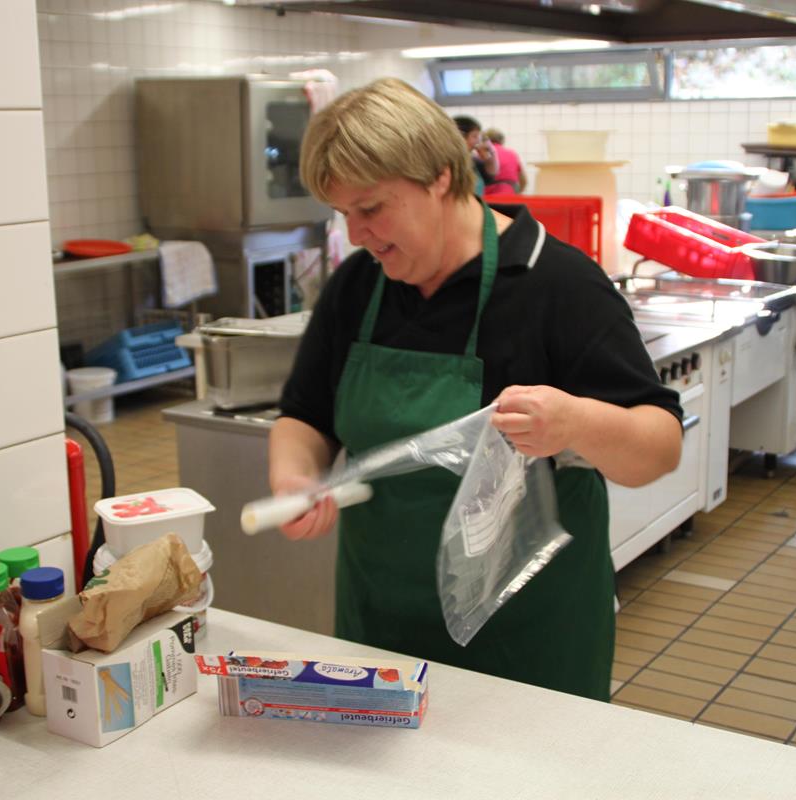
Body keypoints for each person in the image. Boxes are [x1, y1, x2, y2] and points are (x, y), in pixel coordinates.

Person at [269, 77, 683, 703]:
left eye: (371, 208)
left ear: (440, 176)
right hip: (382, 628)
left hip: (527, 642)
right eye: (343, 213)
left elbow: (660, 445)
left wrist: (574, 422)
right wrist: (295, 476)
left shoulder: (557, 283)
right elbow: (305, 415)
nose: (356, 234)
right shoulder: (359, 285)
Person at [453, 115, 499, 197]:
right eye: (474, 136)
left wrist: (490, 155)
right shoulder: (448, 162)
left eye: (478, 137)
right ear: (460, 137)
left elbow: (491, 174)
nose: (478, 141)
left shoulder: (473, 161)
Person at [482, 127, 527, 196]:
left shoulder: (482, 154)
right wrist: (518, 193)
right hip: (509, 193)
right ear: (502, 140)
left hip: (488, 196)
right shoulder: (512, 154)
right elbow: (523, 180)